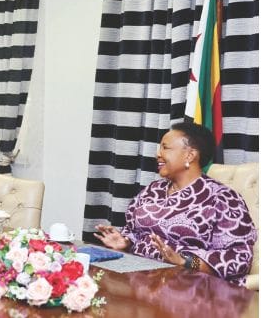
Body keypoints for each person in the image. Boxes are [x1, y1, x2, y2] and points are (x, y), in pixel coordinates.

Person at [95, 122, 257, 286]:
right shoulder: (153, 189)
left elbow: (239, 259)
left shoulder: (222, 198)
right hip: (138, 276)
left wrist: (185, 262)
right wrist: (125, 242)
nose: (157, 154)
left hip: (188, 285)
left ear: (190, 155)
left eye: (165, 148)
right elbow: (133, 231)